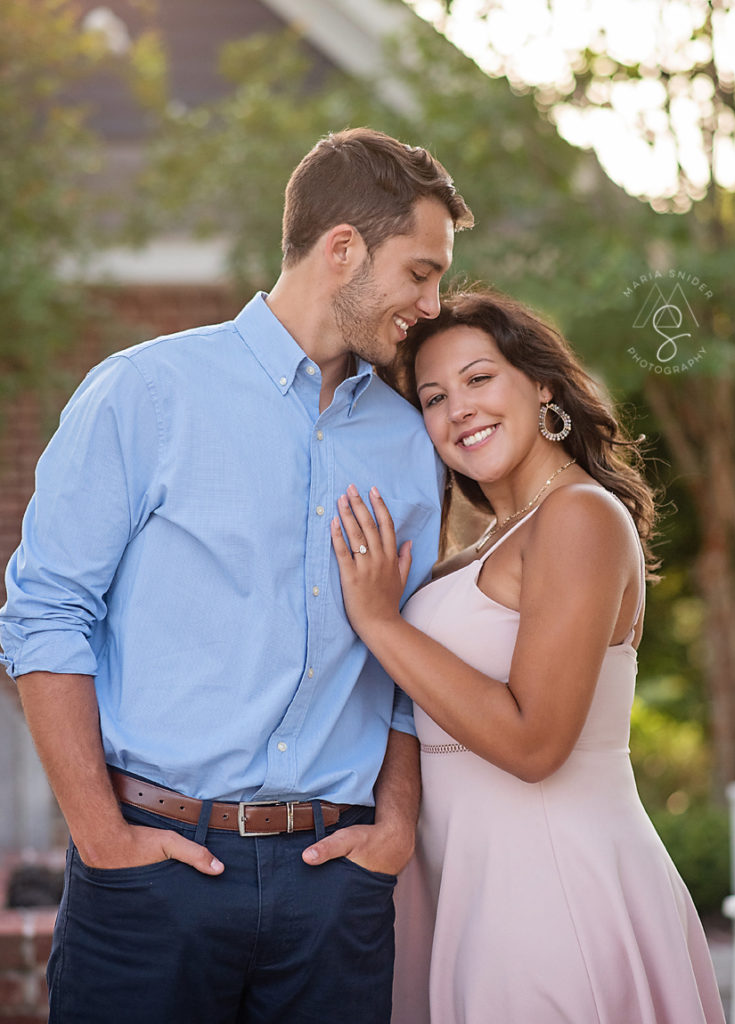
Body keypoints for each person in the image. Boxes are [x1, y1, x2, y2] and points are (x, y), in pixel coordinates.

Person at [0, 128, 473, 1024]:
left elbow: (407, 658)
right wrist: (102, 837)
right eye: (420, 271)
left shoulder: (411, 443)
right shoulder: (146, 392)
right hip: (152, 873)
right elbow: (45, 614)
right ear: (343, 250)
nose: (431, 302)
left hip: (335, 888)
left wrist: (396, 821)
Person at [330, 289, 726, 1024]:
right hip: (467, 890)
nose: (459, 410)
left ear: (540, 385)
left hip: (552, 891)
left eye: (480, 379)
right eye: (434, 396)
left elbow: (534, 740)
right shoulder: (478, 548)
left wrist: (381, 623)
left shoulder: (580, 517)